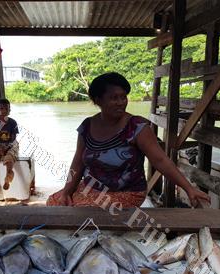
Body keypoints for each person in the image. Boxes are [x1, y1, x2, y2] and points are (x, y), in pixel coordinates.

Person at [46, 72, 210, 208]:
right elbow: (78, 163)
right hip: (92, 189)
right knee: (54, 202)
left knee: (81, 209)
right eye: (114, 98)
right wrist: (68, 191)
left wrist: (189, 189)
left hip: (127, 193)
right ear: (98, 100)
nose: (120, 103)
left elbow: (160, 160)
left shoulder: (137, 127)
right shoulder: (87, 126)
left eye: (123, 97)